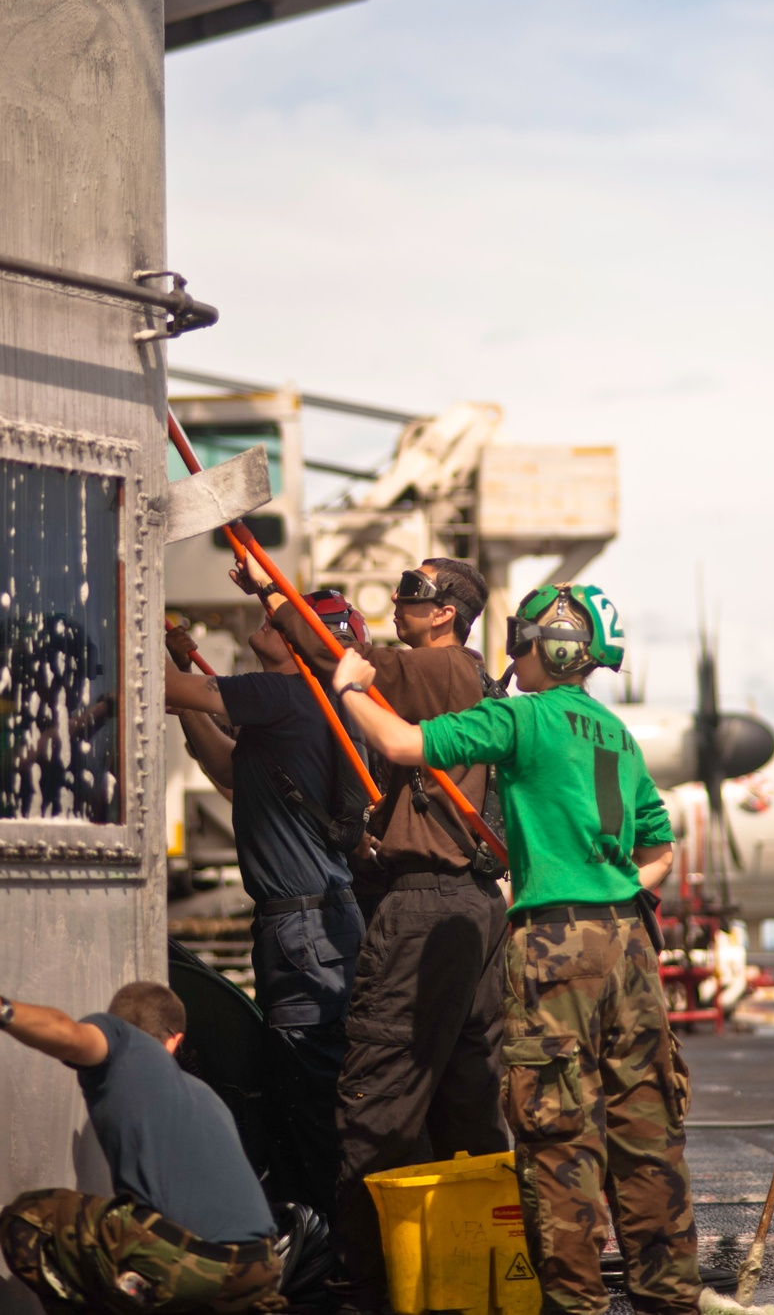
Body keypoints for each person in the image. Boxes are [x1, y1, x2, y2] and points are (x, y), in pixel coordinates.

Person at [329, 581, 774, 1315]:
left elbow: (402, 742)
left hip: (553, 941)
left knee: (558, 1133)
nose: (515, 651)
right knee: (645, 1125)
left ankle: (575, 1303)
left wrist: (351, 686)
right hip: (630, 940)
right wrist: (611, 887)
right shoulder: (616, 734)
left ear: (548, 646)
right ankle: (668, 1290)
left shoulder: (521, 717)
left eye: (524, 638)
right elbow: (657, 849)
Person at [232, 555, 509, 1315]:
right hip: (472, 906)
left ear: (448, 612)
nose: (397, 602)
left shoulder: (440, 667)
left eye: (414, 595)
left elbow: (337, 658)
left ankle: (361, 1288)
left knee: (375, 1099)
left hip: (425, 905)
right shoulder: (459, 678)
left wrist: (271, 594)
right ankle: (477, 1274)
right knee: (466, 1101)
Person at [164, 593, 371, 1219]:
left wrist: (154, 652)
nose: (267, 622)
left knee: (307, 1091)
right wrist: (184, 688)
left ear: (308, 642)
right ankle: (327, 1239)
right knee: (302, 1085)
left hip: (302, 927)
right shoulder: (297, 705)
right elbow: (225, 765)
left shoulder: (283, 693)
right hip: (308, 922)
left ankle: (333, 1249)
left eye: (282, 622)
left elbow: (178, 691)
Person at [0, 971, 282, 1315]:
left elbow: (71, 1035)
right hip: (258, 1270)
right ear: (177, 1041)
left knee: (27, 1220)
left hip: (189, 1264)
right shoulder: (207, 1098)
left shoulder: (126, 1041)